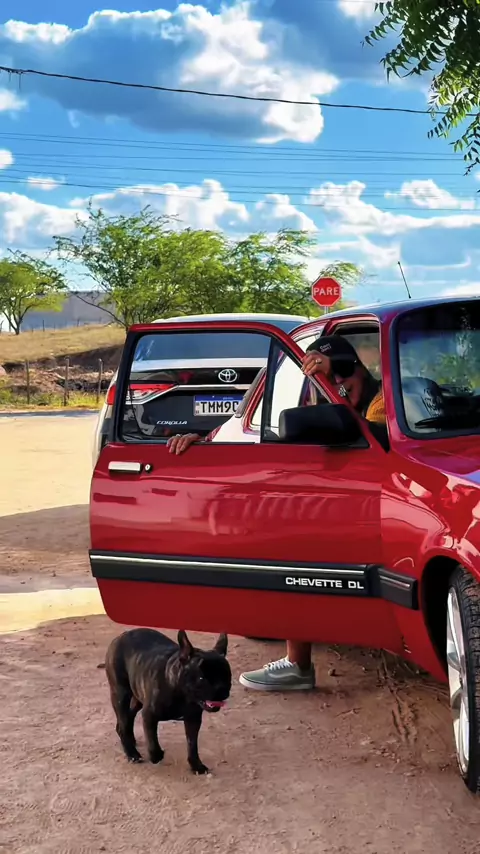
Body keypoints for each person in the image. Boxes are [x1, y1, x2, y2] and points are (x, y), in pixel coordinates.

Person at [167, 336, 386, 692]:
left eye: (343, 377)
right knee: (291, 553)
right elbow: (242, 436)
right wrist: (200, 444)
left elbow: (378, 439)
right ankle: (297, 663)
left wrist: (334, 382)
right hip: (335, 511)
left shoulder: (385, 401)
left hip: (373, 509)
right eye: (327, 383)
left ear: (360, 369)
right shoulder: (315, 404)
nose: (339, 387)